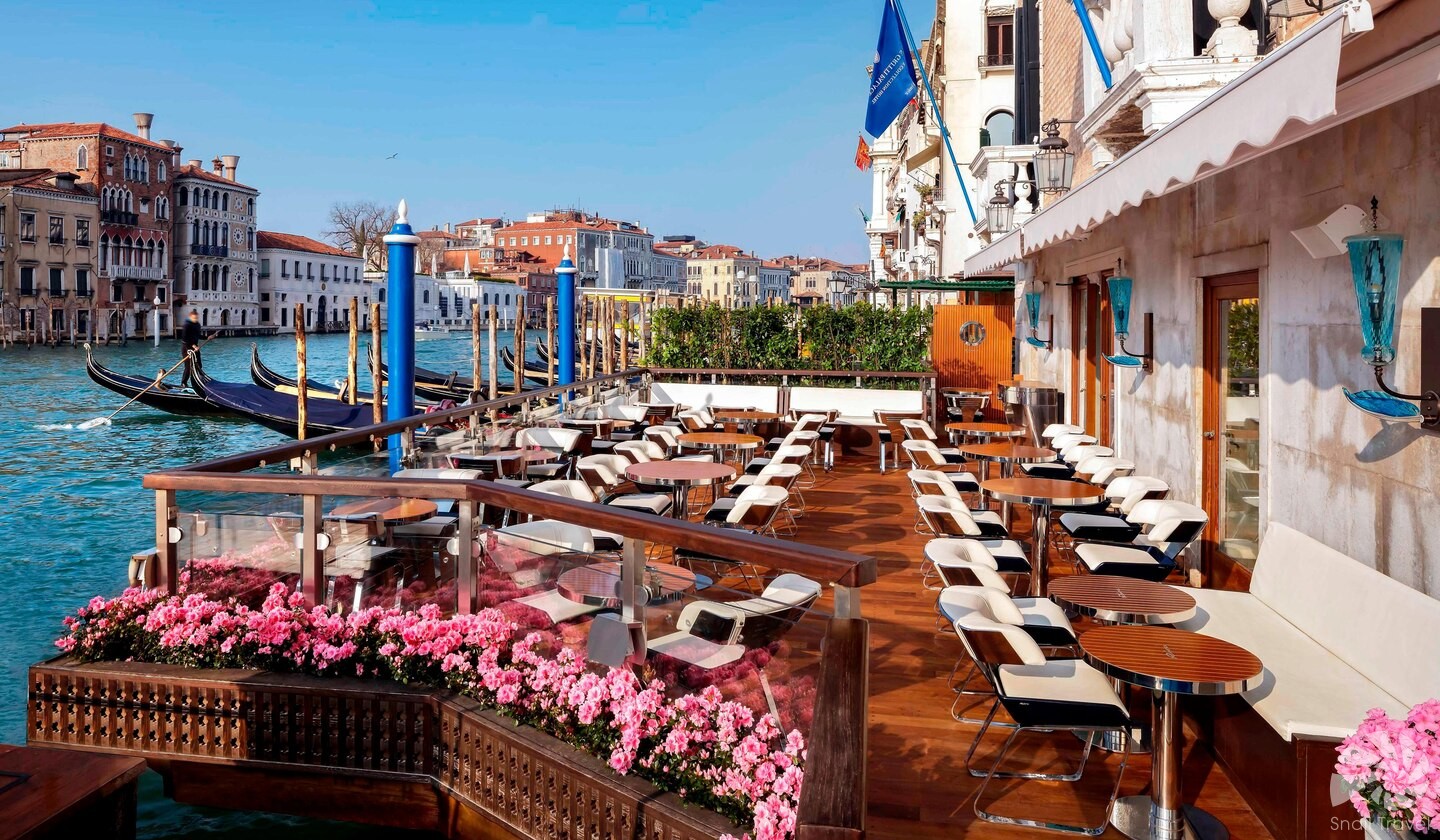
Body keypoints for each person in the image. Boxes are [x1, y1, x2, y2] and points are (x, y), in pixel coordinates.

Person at [180, 310, 203, 387]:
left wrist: (207, 337)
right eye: (194, 318)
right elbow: (184, 338)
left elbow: (198, 335)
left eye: (196, 318)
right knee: (188, 366)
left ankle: (199, 381)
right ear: (190, 317)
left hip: (195, 347)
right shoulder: (186, 325)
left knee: (199, 364)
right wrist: (193, 346)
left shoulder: (197, 325)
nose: (195, 319)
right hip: (186, 347)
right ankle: (183, 382)